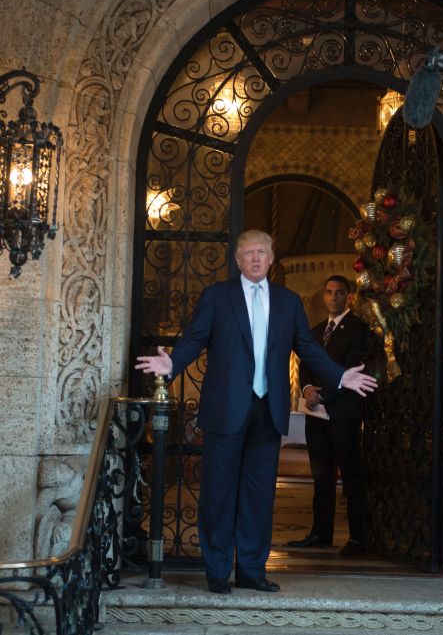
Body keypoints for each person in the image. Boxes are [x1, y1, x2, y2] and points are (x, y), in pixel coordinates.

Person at [135, 230, 377, 595]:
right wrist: (170, 366)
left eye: (261, 252)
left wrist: (341, 376)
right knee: (218, 494)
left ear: (271, 258)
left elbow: (308, 349)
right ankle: (217, 570)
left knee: (258, 496)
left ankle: (251, 570)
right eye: (248, 252)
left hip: (268, 411)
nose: (255, 258)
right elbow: (194, 339)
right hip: (226, 411)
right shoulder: (217, 297)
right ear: (237, 259)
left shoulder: (288, 302)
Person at [288, 275, 369, 556]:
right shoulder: (317, 330)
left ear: (349, 297)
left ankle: (358, 538)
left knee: (350, 476)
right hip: (316, 414)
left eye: (339, 293)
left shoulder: (359, 329)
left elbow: (354, 368)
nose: (333, 297)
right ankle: (321, 533)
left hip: (343, 413)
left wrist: (324, 394)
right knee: (320, 475)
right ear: (323, 296)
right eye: (328, 292)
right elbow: (305, 362)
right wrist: (308, 388)